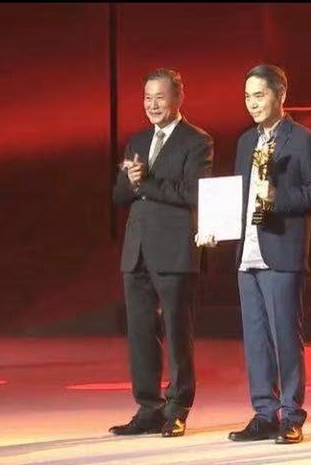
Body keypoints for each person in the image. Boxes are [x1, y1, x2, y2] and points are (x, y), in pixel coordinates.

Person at [197, 64, 311, 445]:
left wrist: (278, 199)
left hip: (282, 250)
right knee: (255, 338)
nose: (252, 103)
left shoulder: (302, 140)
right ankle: (263, 413)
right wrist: (216, 227)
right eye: (247, 97)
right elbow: (238, 196)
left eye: (259, 95)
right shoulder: (245, 142)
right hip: (248, 252)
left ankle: (291, 414)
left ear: (280, 95)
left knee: (285, 335)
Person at [110, 68, 214, 438]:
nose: (152, 105)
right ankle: (148, 406)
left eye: (160, 97)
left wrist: (147, 183)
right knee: (140, 332)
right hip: (136, 250)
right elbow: (119, 196)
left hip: (174, 250)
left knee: (177, 330)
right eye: (147, 98)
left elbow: (194, 193)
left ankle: (177, 407)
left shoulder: (197, 141)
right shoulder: (138, 140)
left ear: (178, 98)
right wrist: (130, 182)